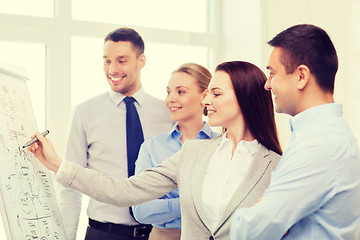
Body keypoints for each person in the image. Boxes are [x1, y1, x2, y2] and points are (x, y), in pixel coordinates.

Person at [28, 61, 283, 239]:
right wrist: (58, 165)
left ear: (245, 97)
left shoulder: (276, 165)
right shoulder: (194, 152)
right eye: (207, 94)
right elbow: (124, 191)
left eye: (216, 94)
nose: (206, 101)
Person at [230, 24, 360, 240]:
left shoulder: (319, 145)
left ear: (301, 76)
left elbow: (251, 232)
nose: (267, 85)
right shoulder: (321, 137)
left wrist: (247, 216)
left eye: (272, 73)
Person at [58, 27, 173, 240]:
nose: (112, 69)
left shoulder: (168, 113)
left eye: (121, 60)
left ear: (141, 61)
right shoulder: (85, 112)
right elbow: (70, 185)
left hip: (160, 234)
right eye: (107, 61)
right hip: (103, 233)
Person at [132, 63, 219, 240]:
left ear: (204, 96)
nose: (170, 99)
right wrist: (193, 204)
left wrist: (165, 207)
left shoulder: (221, 145)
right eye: (168, 92)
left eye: (180, 92)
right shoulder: (152, 147)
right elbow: (141, 210)